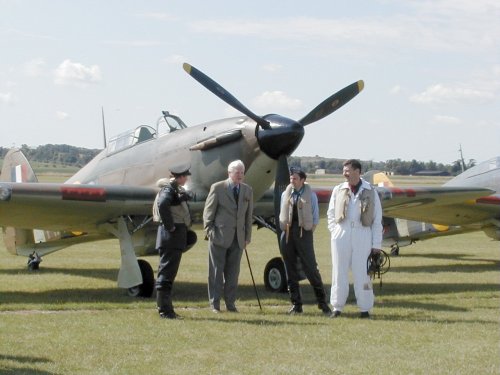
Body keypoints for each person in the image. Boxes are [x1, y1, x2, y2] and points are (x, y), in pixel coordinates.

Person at [327, 159, 383, 319]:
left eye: (348, 170)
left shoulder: (371, 191)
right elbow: (331, 214)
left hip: (362, 233)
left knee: (362, 273)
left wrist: (376, 244)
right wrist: (335, 231)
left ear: (357, 171)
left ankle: (365, 309)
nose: (345, 173)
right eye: (344, 170)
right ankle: (337, 307)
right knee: (338, 271)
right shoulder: (338, 190)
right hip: (341, 233)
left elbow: (377, 219)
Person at [279, 167, 331, 315]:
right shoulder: (285, 194)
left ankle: (322, 303)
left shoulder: (311, 196)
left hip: (304, 233)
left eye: (295, 178)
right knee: (289, 268)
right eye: (291, 178)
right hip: (288, 233)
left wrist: (307, 234)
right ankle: (296, 304)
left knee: (310, 268)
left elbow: (315, 217)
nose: (292, 181)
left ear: (302, 180)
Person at [203, 160, 253, 313]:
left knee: (233, 274)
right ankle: (215, 305)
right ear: (229, 173)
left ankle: (230, 304)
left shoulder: (247, 190)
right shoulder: (218, 188)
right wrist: (210, 232)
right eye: (237, 172)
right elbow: (208, 213)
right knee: (216, 273)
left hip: (238, 239)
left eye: (242, 172)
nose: (240, 175)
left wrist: (247, 236)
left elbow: (248, 216)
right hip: (219, 237)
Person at [153, 165, 194, 319]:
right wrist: (170, 226)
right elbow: (163, 204)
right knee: (166, 274)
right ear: (181, 177)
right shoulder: (168, 189)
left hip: (174, 236)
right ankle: (165, 311)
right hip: (171, 236)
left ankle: (166, 309)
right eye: (185, 176)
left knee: (168, 273)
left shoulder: (173, 189)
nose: (187, 179)